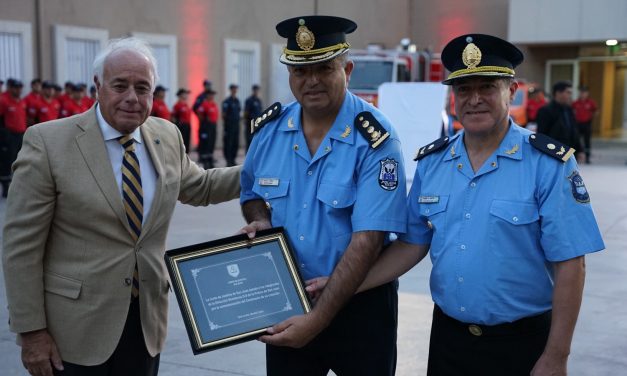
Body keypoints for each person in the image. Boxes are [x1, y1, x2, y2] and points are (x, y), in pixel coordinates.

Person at [309, 33, 606, 376]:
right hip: (449, 341)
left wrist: (557, 356)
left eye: (487, 87)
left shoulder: (549, 165)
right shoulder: (433, 163)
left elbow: (571, 265)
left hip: (522, 344)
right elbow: (410, 245)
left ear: (511, 91)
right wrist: (341, 284)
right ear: (453, 97)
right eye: (464, 89)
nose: (474, 99)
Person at [2, 37, 241, 376]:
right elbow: (20, 248)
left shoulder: (166, 136)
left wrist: (264, 168)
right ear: (97, 86)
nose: (132, 97)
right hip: (74, 333)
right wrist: (31, 332)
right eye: (120, 85)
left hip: (145, 323)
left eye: (143, 88)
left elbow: (200, 187)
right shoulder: (48, 143)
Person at [239, 15, 407, 376]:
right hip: (289, 298)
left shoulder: (376, 139)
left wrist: (317, 321)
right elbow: (251, 191)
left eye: (324, 68)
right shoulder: (269, 131)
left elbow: (369, 239)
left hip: (360, 306)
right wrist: (259, 219)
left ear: (347, 70)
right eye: (301, 71)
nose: (311, 80)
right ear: (290, 76)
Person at [537, 81, 583, 159]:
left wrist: (580, 150)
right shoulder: (546, 111)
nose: (570, 95)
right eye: (568, 92)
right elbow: (542, 135)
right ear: (558, 93)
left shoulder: (569, 110)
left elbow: (574, 131)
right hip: (553, 153)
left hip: (569, 153)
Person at [0, 78, 27, 195]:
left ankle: (18, 184)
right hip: (9, 135)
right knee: (7, 161)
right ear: (10, 88)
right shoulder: (3, 100)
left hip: (21, 134)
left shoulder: (21, 101)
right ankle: (6, 187)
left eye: (20, 87)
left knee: (21, 159)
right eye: (16, 87)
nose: (19, 90)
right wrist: (4, 134)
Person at [572, 86, 597, 164]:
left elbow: (596, 111)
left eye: (584, 93)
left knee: (587, 141)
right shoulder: (575, 103)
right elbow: (572, 111)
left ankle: (587, 157)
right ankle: (575, 156)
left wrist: (590, 116)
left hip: (587, 124)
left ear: (587, 93)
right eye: (581, 92)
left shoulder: (591, 102)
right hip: (577, 124)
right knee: (576, 140)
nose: (583, 94)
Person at [195, 88, 219, 169]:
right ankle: (205, 162)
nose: (212, 96)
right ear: (207, 95)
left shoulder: (214, 104)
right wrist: (204, 121)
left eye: (213, 94)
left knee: (212, 143)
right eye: (210, 94)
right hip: (206, 126)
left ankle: (210, 160)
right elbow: (199, 113)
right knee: (206, 143)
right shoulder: (204, 104)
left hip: (213, 126)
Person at [222, 83, 241, 166]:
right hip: (229, 126)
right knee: (228, 143)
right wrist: (228, 123)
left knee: (235, 143)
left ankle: (233, 159)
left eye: (236, 88)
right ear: (231, 90)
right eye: (233, 88)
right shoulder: (227, 101)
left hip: (236, 125)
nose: (235, 90)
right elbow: (224, 115)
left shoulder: (237, 101)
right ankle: (228, 160)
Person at [171, 88, 192, 153]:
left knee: (187, 141)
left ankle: (186, 155)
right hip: (181, 125)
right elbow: (173, 117)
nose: (186, 96)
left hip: (187, 125)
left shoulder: (186, 105)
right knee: (182, 141)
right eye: (185, 94)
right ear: (180, 95)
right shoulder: (177, 105)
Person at [243, 84, 263, 151]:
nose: (256, 91)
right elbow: (246, 112)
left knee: (256, 140)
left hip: (258, 123)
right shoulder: (249, 100)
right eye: (255, 90)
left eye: (257, 90)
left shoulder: (258, 100)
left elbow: (260, 111)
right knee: (249, 140)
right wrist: (247, 120)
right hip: (250, 123)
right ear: (253, 90)